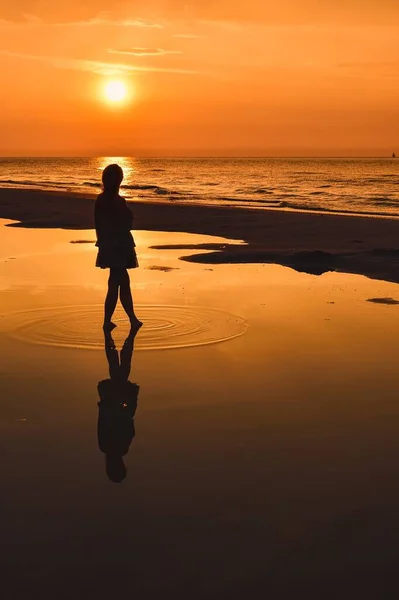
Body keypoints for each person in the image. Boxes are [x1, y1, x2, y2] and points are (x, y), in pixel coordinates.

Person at [95, 163, 142, 331]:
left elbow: (99, 226)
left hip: (110, 247)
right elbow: (126, 224)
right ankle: (125, 320)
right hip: (119, 247)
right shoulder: (117, 201)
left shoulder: (100, 200)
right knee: (119, 283)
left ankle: (122, 320)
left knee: (117, 283)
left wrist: (102, 243)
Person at [97, 328, 140, 483]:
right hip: (115, 402)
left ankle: (124, 338)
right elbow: (128, 426)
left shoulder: (116, 448)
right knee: (119, 369)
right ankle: (116, 338)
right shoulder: (114, 448)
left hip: (116, 402)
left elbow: (125, 423)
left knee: (122, 369)